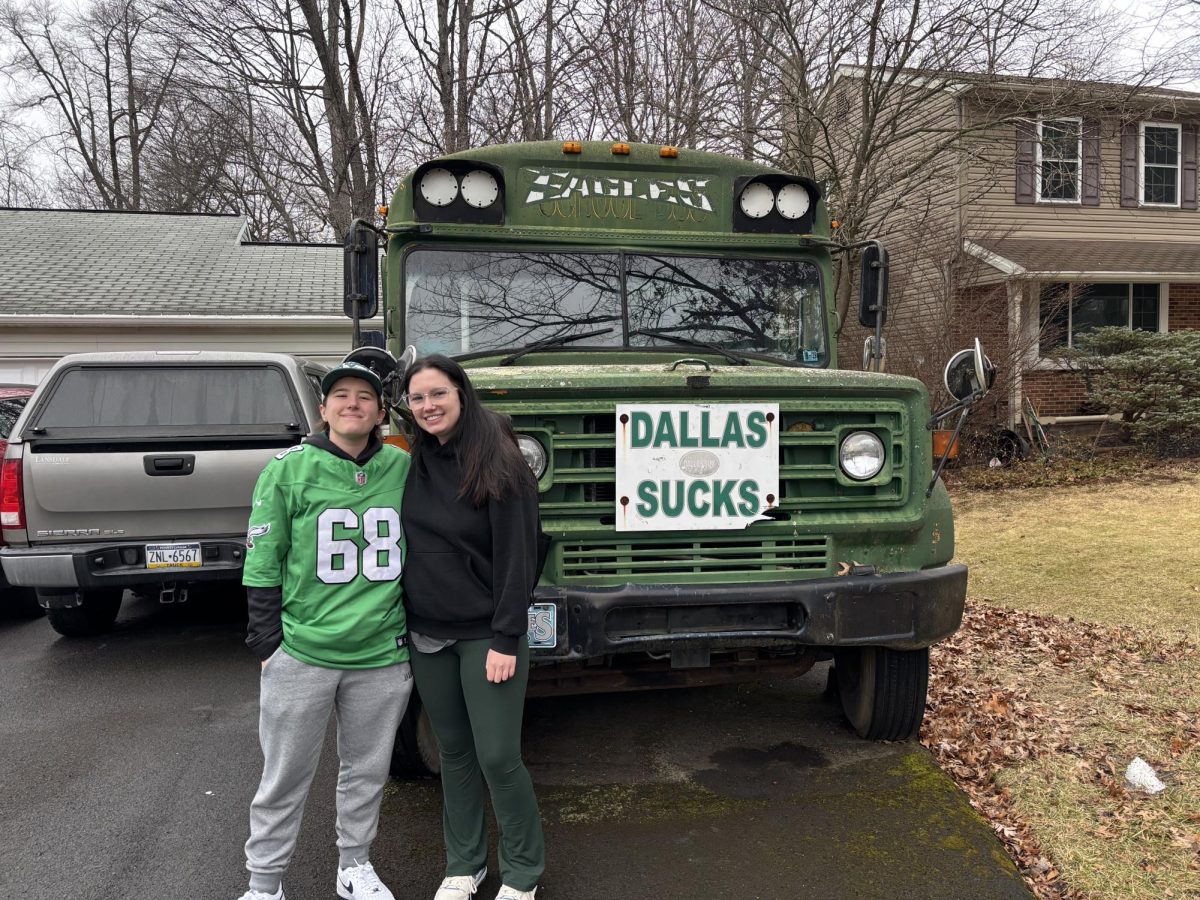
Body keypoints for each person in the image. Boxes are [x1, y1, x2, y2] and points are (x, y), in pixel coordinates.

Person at [236, 360, 413, 900]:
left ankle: (354, 866)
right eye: (341, 395)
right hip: (305, 648)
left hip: (381, 650)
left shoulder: (403, 466)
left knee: (366, 770)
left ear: (382, 410)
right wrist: (267, 641)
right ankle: (265, 884)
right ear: (323, 408)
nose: (352, 403)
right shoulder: (288, 468)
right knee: (285, 775)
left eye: (365, 396)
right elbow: (263, 560)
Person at [399, 354, 545, 900]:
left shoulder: (500, 462)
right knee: (454, 753)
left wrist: (507, 637)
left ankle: (524, 871)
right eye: (417, 398)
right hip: (427, 634)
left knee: (498, 757)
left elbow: (518, 558)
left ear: (461, 394)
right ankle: (464, 865)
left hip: (487, 637)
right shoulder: (412, 461)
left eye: (438, 394)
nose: (429, 406)